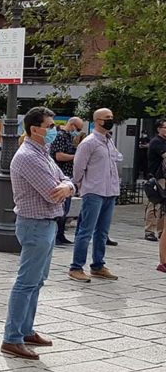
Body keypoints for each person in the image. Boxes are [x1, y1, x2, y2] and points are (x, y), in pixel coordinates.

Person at [1, 106, 75, 360]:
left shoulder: (42, 152)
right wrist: (65, 187)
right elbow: (52, 191)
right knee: (26, 282)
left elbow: (65, 181)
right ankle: (12, 338)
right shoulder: (28, 157)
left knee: (37, 281)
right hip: (35, 223)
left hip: (46, 223)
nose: (54, 130)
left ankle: (25, 330)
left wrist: (68, 186)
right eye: (51, 126)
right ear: (35, 129)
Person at [69, 108, 120, 282]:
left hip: (110, 191)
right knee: (86, 231)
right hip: (94, 191)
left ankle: (98, 265)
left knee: (102, 232)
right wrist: (81, 184)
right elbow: (78, 167)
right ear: (98, 120)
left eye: (111, 117)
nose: (110, 120)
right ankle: (76, 267)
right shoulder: (89, 142)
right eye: (107, 118)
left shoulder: (108, 141)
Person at [49, 116, 84, 245]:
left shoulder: (69, 137)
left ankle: (61, 234)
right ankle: (57, 235)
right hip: (61, 175)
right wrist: (76, 157)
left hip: (68, 176)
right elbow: (59, 155)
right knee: (62, 208)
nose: (78, 131)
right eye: (78, 128)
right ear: (72, 125)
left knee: (66, 209)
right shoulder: (61, 136)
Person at [145, 119, 166, 242]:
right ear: (159, 129)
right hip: (158, 177)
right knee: (155, 203)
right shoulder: (157, 142)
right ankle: (149, 230)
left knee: (163, 205)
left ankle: (161, 230)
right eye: (165, 127)